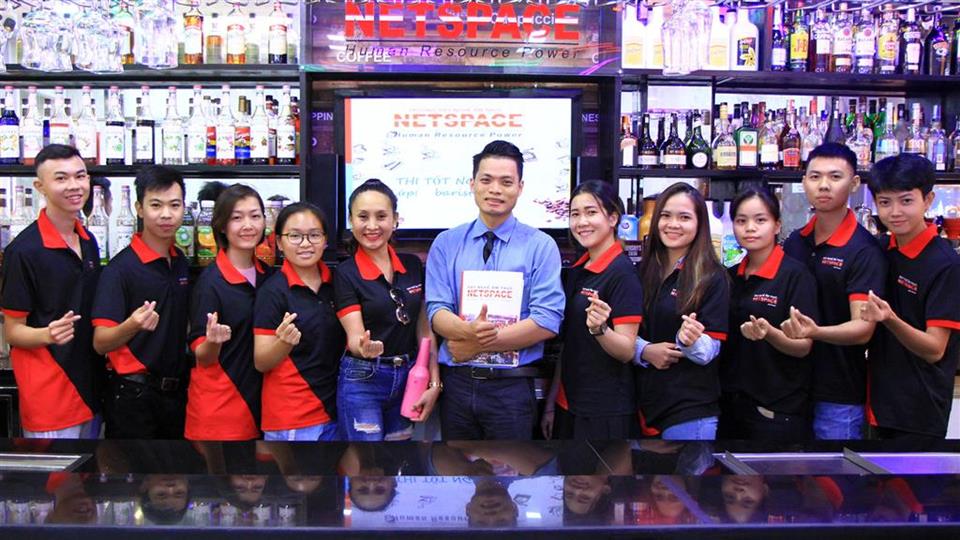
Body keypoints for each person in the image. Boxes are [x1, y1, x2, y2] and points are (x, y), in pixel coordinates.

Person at [425, 140, 565, 440]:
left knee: (510, 468)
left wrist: (475, 345)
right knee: (457, 470)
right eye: (486, 180)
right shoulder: (445, 243)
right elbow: (436, 312)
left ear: (520, 187)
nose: (495, 190)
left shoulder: (541, 246)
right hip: (457, 387)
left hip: (512, 389)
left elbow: (547, 320)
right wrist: (471, 333)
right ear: (472, 183)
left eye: (506, 182)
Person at [781, 143, 887, 440]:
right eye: (815, 176)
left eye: (835, 176)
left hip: (839, 394)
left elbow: (863, 329)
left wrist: (815, 332)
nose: (824, 185)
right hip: (791, 389)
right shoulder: (796, 242)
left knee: (835, 470)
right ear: (804, 181)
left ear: (854, 183)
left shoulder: (863, 250)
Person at [1, 144, 101, 438]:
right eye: (61, 178)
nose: (74, 186)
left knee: (93, 468)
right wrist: (48, 334)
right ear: (40, 187)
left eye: (80, 176)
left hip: (90, 388)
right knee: (56, 470)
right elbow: (13, 332)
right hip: (50, 395)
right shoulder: (24, 251)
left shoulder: (88, 240)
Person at [862, 154, 960, 441]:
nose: (895, 212)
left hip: (919, 410)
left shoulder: (946, 265)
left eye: (906, 201)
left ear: (928, 200)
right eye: (885, 202)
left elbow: (934, 349)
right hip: (876, 402)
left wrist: (889, 318)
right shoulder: (879, 249)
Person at [334, 179, 440, 441]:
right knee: (366, 462)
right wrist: (364, 348)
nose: (372, 225)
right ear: (351, 220)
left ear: (395, 220)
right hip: (363, 378)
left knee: (398, 459)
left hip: (408, 377)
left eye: (381, 216)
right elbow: (354, 336)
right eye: (363, 217)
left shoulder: (412, 265)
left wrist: (434, 381)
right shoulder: (346, 273)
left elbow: (424, 329)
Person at [92, 165, 190, 439]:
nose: (166, 214)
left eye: (174, 205)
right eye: (156, 205)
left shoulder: (180, 262)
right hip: (134, 396)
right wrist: (132, 325)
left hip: (177, 394)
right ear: (139, 208)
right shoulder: (120, 269)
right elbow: (100, 342)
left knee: (178, 467)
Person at [542, 180, 643, 440]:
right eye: (575, 214)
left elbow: (626, 350)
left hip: (604, 411)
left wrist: (600, 330)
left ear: (612, 218)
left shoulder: (622, 273)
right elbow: (569, 345)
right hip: (569, 404)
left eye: (591, 212)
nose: (582, 222)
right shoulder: (580, 268)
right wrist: (552, 402)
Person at [719, 188, 819, 441]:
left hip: (776, 410)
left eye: (760, 220)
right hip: (729, 406)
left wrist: (770, 334)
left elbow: (804, 347)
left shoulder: (795, 276)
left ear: (777, 225)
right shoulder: (729, 277)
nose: (750, 228)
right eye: (741, 221)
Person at [633, 182, 729, 440]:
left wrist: (689, 341)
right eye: (666, 215)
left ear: (700, 224)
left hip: (688, 413)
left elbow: (709, 351)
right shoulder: (643, 270)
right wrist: (643, 350)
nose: (673, 224)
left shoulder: (712, 277)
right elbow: (625, 331)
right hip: (643, 406)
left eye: (684, 217)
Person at [185, 184, 273, 441]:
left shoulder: (268, 277)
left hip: (261, 405)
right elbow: (202, 355)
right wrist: (213, 342)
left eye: (255, 216)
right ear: (222, 225)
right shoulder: (210, 283)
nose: (248, 225)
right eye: (237, 218)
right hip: (221, 409)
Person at [253, 202, 345, 441]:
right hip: (294, 417)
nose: (305, 244)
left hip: (335, 410)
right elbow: (261, 362)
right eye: (295, 236)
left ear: (325, 240)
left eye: (314, 235)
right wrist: (283, 342)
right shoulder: (273, 291)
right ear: (279, 242)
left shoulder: (337, 283)